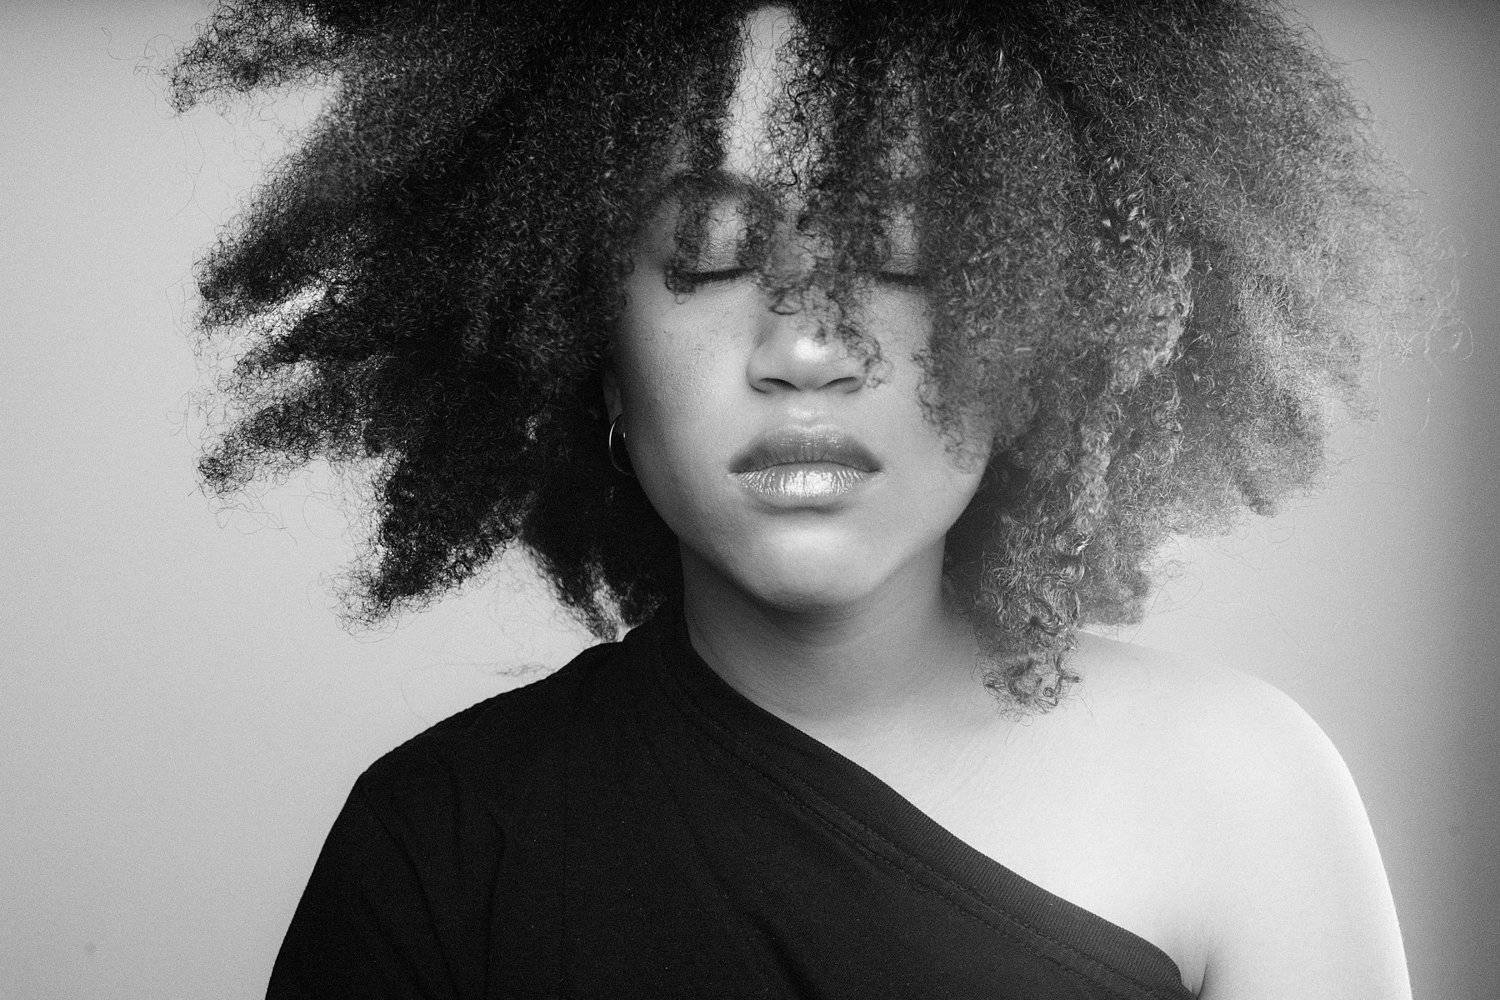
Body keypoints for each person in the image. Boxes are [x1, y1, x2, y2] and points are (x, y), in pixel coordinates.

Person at [173, 1, 1432, 996]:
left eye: (898, 255)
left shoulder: (1242, 792)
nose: (809, 346)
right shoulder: (441, 848)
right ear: (590, 342)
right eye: (712, 256)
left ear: (1037, 317)